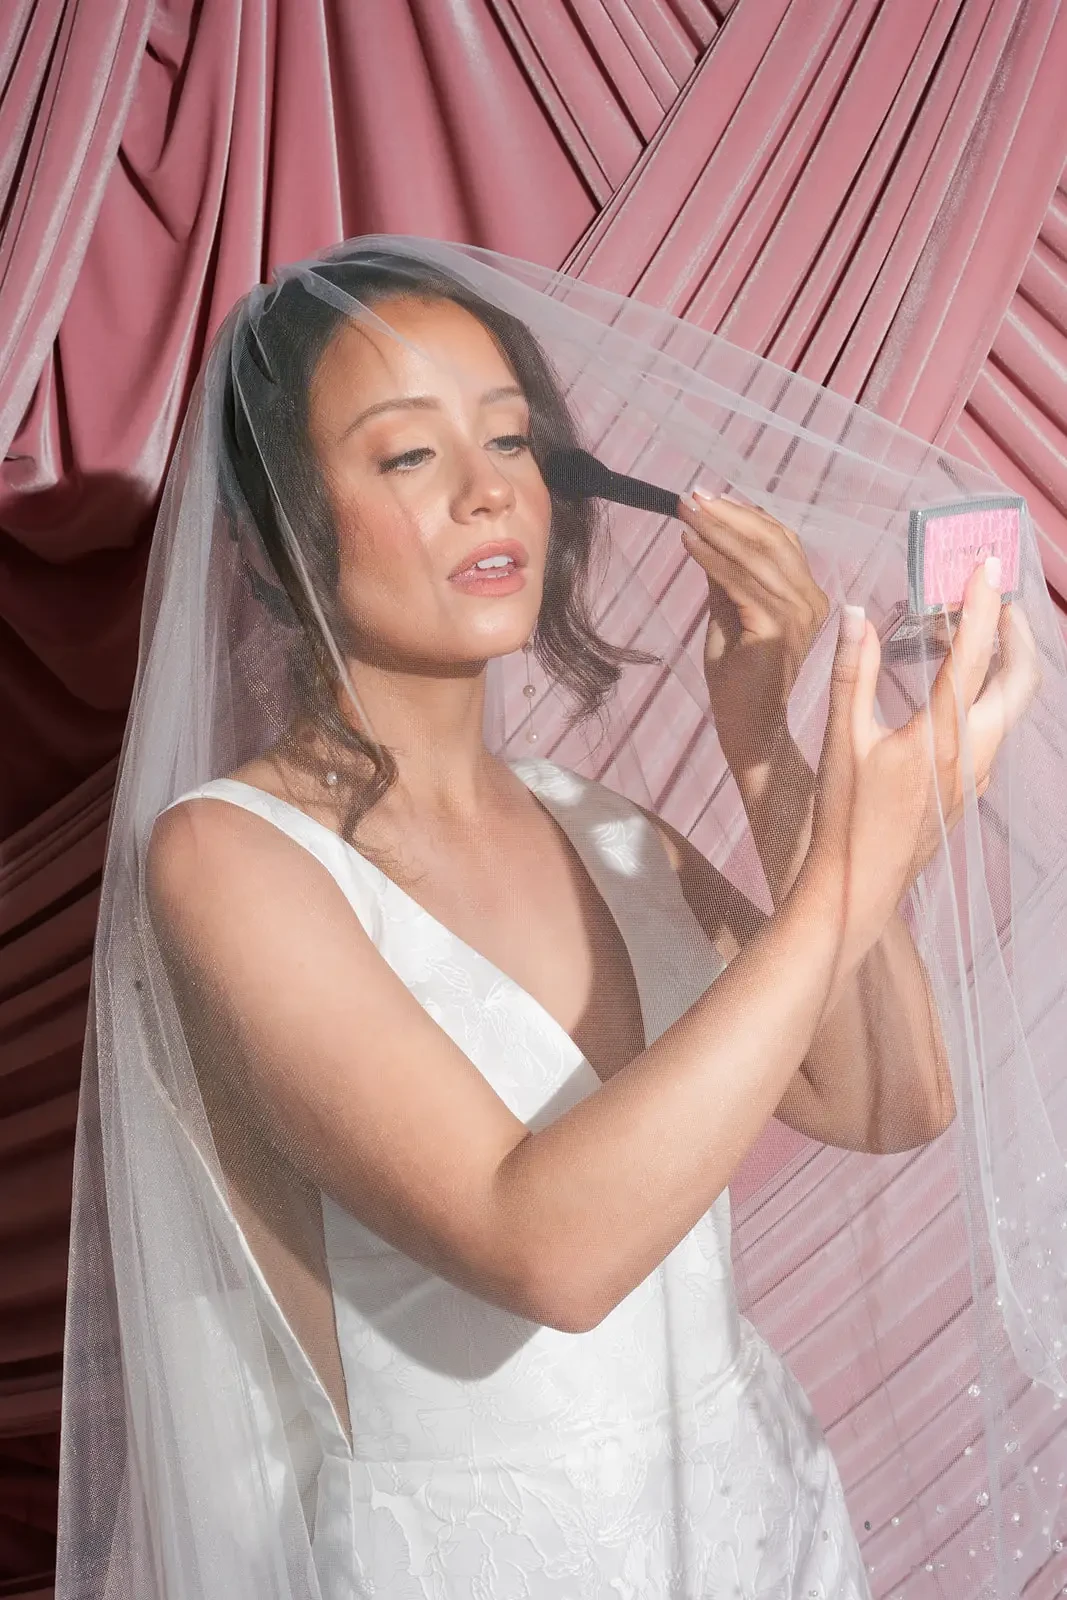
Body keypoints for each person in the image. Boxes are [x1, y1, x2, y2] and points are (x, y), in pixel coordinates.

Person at [56, 241, 1051, 1600]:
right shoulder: (228, 862)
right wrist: (853, 864)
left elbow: (886, 1093)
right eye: (407, 456)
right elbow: (550, 1251)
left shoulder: (594, 821)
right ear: (282, 525)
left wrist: (764, 743)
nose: (487, 492)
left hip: (748, 1527)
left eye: (512, 439)